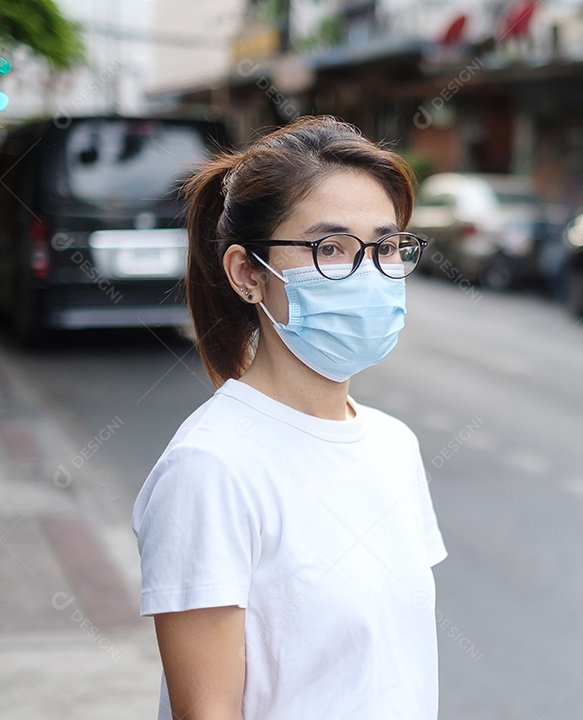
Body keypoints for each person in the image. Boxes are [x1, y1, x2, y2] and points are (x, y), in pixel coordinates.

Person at [131, 116, 447, 720]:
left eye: (385, 247)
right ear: (248, 275)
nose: (369, 274)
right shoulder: (211, 469)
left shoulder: (392, 444)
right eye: (330, 249)